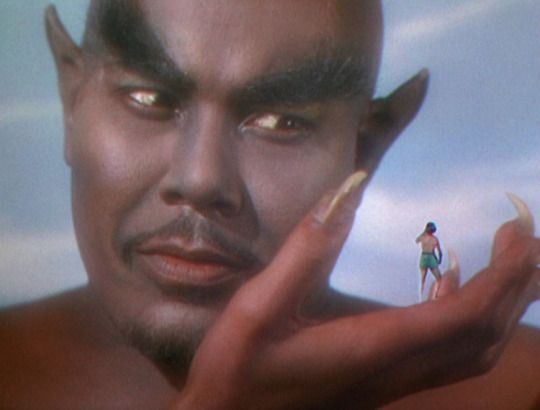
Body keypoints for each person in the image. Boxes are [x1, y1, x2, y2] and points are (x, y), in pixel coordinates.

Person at [1, 1, 539, 409]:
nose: (200, 179)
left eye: (280, 122)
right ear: (72, 102)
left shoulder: (519, 388)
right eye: (149, 99)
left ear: (366, 150)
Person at [416, 222, 443, 299]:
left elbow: (417, 240)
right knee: (438, 278)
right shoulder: (434, 239)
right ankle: (435, 295)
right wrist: (439, 260)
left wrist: (423, 232)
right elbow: (440, 252)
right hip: (430, 256)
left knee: (423, 279)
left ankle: (422, 297)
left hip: (425, 256)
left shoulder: (424, 237)